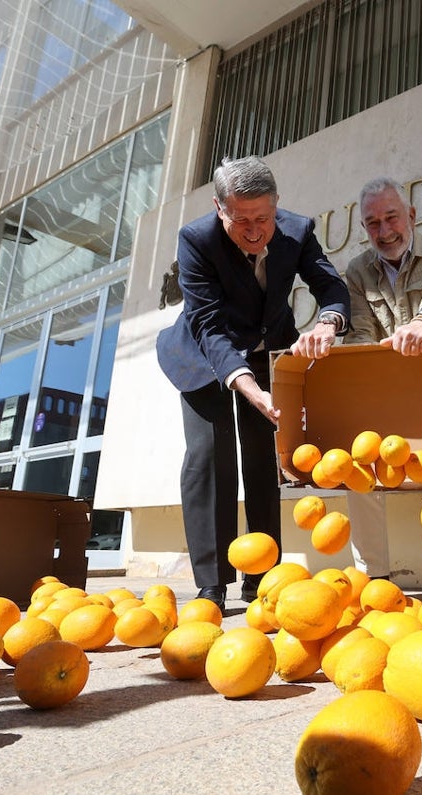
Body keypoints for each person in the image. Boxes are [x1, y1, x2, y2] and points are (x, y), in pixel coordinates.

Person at [156, 156, 350, 611]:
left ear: (276, 206)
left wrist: (328, 321)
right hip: (204, 356)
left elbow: (331, 286)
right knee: (210, 456)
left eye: (263, 218)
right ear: (219, 207)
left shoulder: (297, 230)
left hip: (267, 350)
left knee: (264, 460)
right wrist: (243, 383)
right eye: (240, 220)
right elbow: (207, 324)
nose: (253, 231)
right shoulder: (196, 240)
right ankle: (212, 583)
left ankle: (261, 577)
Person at [341, 177, 422, 601]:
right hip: (382, 388)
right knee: (358, 467)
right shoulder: (358, 270)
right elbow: (359, 332)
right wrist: (372, 355)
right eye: (373, 222)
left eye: (391, 217)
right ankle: (374, 582)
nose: (384, 230)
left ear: (411, 216)